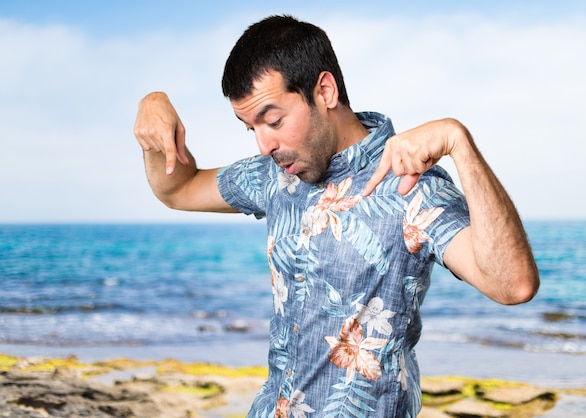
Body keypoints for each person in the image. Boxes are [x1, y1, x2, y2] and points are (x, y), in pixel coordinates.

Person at [134, 15, 539, 418]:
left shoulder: (412, 184)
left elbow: (513, 285)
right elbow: (177, 189)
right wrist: (153, 110)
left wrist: (459, 143)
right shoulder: (274, 175)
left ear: (325, 91)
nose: (263, 145)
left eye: (273, 121)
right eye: (250, 128)